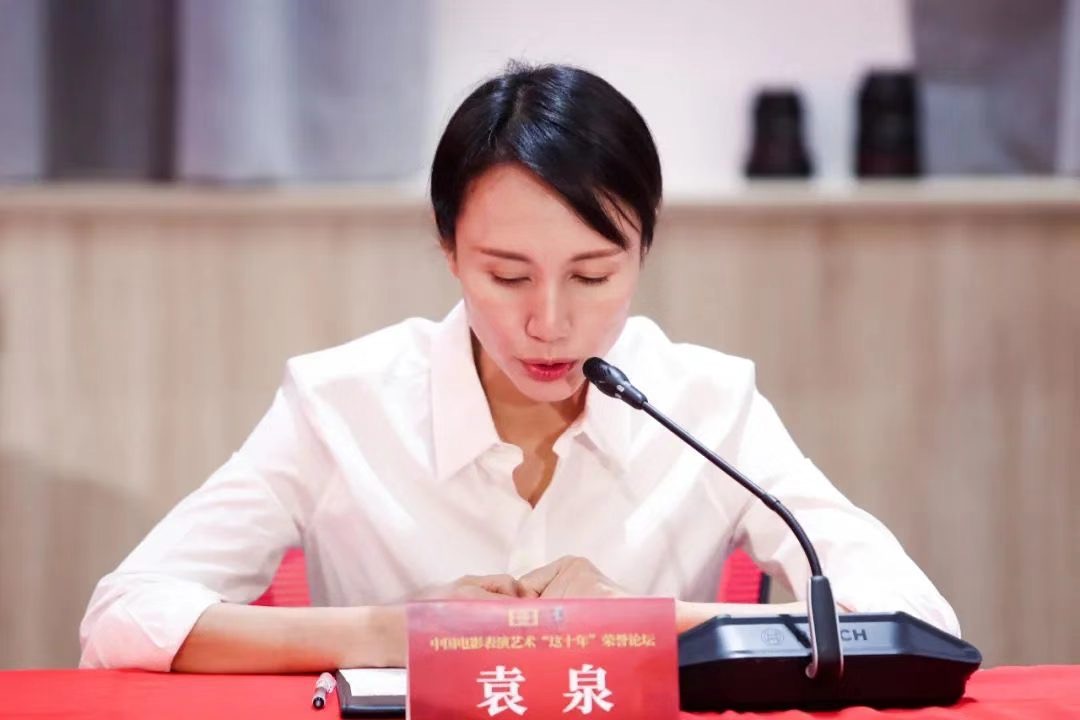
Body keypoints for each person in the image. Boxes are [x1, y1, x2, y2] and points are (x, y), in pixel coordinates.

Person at [79, 63, 959, 673]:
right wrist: (390, 633)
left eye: (593, 276)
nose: (549, 322)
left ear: (643, 251)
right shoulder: (339, 401)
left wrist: (651, 627)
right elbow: (124, 618)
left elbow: (913, 622)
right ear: (449, 252)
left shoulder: (708, 403)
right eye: (506, 277)